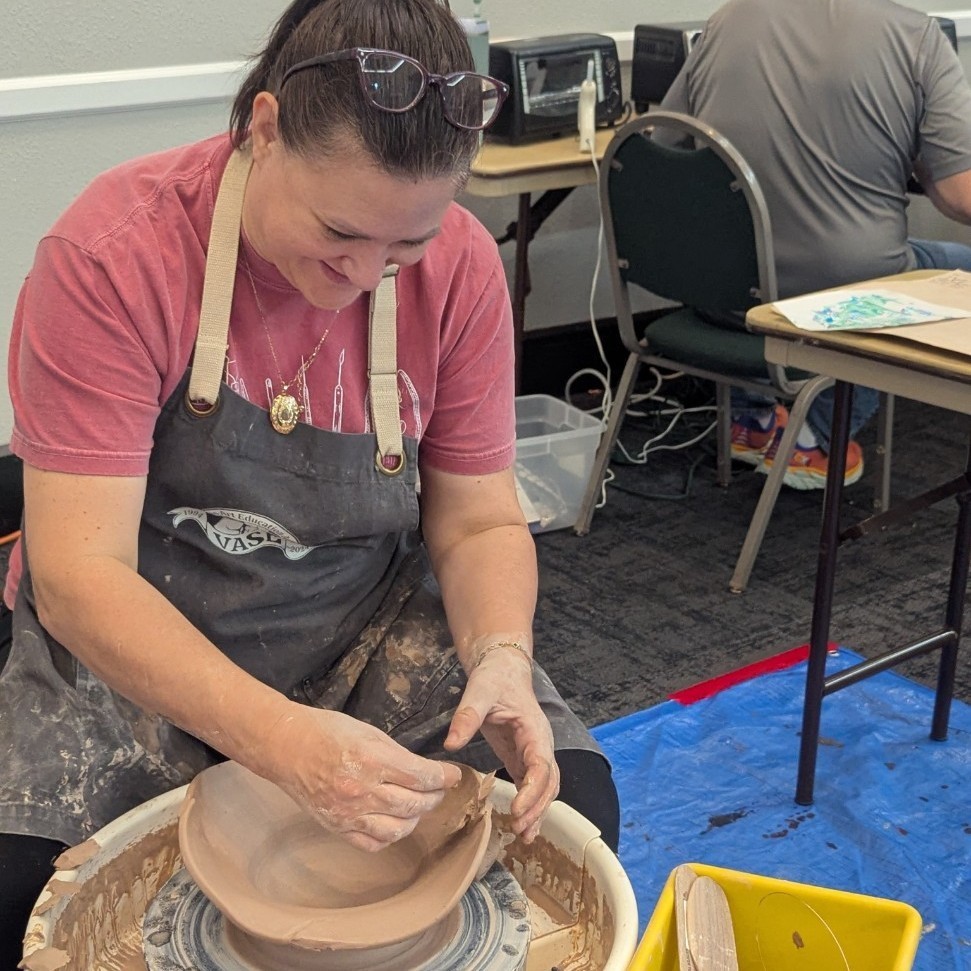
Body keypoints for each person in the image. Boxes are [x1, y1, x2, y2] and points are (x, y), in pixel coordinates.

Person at [0, 0, 620, 961]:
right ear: (264, 129)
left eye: (405, 244)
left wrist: (500, 649)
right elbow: (81, 576)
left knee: (568, 808)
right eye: (340, 230)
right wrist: (281, 743)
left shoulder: (457, 272)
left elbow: (477, 521)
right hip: (135, 638)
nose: (367, 273)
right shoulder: (112, 258)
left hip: (356, 627)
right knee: (18, 894)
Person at [660, 0, 971, 489]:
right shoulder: (917, 36)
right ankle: (818, 437)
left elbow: (666, 145)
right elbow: (960, 197)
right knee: (950, 268)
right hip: (842, 303)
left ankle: (752, 417)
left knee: (806, 253)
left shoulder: (726, 20)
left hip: (725, 295)